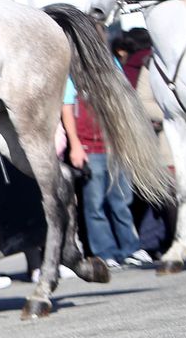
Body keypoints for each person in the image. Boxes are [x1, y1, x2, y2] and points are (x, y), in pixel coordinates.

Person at [63, 77, 150, 270]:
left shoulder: (110, 65)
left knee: (122, 201)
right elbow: (66, 109)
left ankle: (131, 248)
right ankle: (105, 252)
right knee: (95, 205)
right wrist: (75, 145)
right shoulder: (72, 75)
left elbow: (123, 102)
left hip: (115, 146)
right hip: (89, 148)